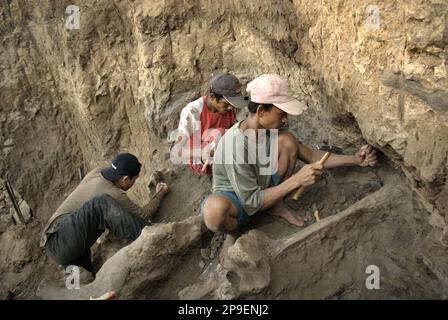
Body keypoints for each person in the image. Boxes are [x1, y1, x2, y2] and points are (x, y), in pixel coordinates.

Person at [201, 74, 378, 261]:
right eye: (282, 113)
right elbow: (251, 201)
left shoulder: (269, 131)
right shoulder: (234, 146)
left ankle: (275, 205)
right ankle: (232, 233)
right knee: (214, 211)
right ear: (261, 111)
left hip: (261, 189)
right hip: (237, 200)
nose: (285, 119)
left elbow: (310, 155)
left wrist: (355, 159)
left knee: (288, 142)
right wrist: (296, 180)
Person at [40, 153, 169, 274]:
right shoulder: (112, 193)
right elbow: (143, 215)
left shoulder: (97, 172)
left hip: (65, 238)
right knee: (101, 203)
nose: (134, 183)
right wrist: (159, 195)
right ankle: (157, 239)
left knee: (88, 281)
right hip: (60, 241)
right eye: (134, 180)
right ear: (125, 179)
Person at [174, 72, 247, 175]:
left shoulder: (229, 108)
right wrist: (203, 152)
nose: (230, 108)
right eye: (226, 104)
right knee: (220, 134)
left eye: (232, 104)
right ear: (212, 97)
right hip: (200, 158)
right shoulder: (192, 112)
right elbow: (178, 153)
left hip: (221, 147)